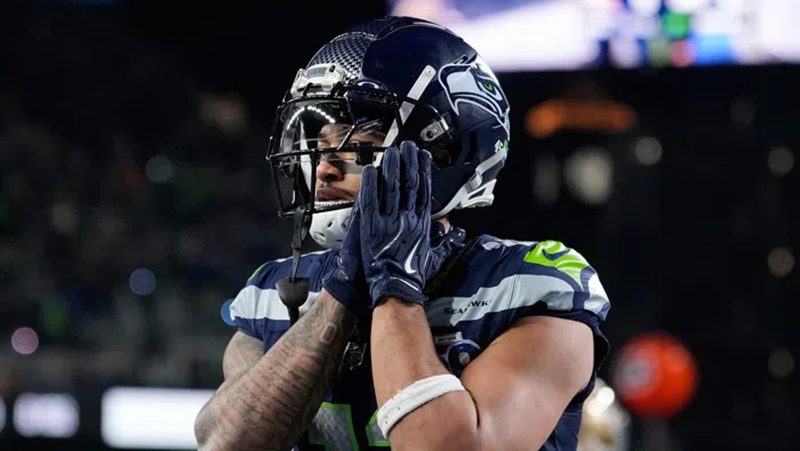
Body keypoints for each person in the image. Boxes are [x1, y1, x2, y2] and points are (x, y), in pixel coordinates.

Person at [194, 16, 611, 451]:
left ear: (446, 154)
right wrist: (341, 294)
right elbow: (228, 443)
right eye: (319, 145)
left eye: (359, 145)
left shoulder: (525, 286)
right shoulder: (272, 293)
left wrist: (396, 286)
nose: (325, 168)